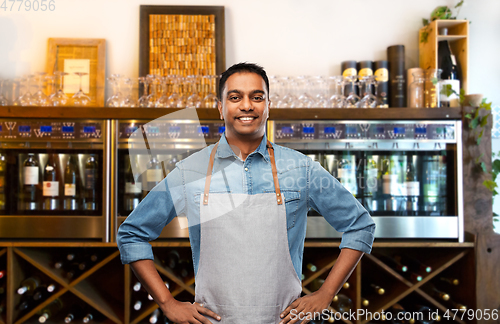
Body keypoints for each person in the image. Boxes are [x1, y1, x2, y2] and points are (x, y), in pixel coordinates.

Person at [117, 62, 375, 324]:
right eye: (235, 97)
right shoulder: (189, 171)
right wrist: (167, 303)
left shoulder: (301, 169)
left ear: (268, 106)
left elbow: (359, 225)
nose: (247, 105)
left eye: (257, 97)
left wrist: (325, 294)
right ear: (221, 108)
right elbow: (132, 234)